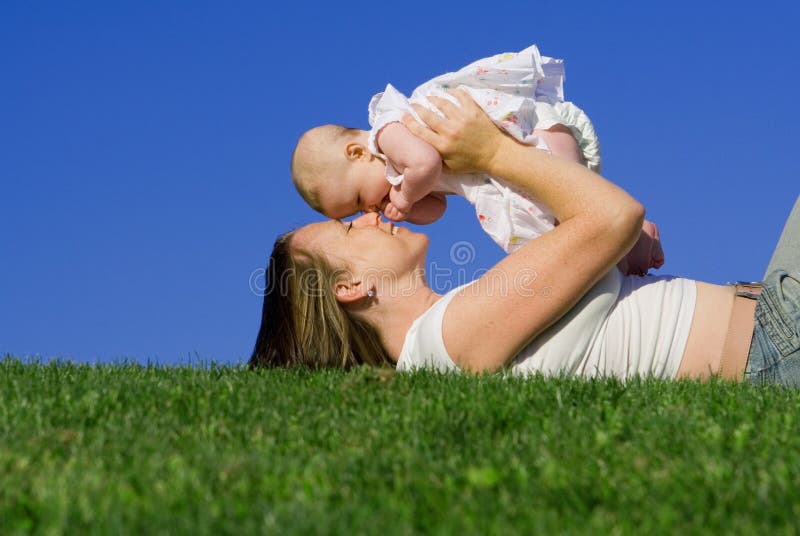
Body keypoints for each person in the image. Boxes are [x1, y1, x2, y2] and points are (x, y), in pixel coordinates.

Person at [252, 89, 800, 387]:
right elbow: (615, 216)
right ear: (349, 288)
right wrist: (492, 154)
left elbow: (604, 230)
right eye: (349, 225)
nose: (371, 213)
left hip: (771, 325)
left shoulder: (455, 326)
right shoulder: (445, 340)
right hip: (775, 342)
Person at [290, 44, 663, 276]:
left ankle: (629, 244)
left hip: (523, 136)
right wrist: (406, 206)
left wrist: (403, 196)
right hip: (513, 170)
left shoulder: (386, 132)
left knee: (564, 233)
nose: (368, 210)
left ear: (356, 153)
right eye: (359, 212)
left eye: (358, 200)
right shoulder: (394, 175)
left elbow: (426, 165)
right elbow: (436, 209)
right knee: (565, 236)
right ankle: (637, 245)